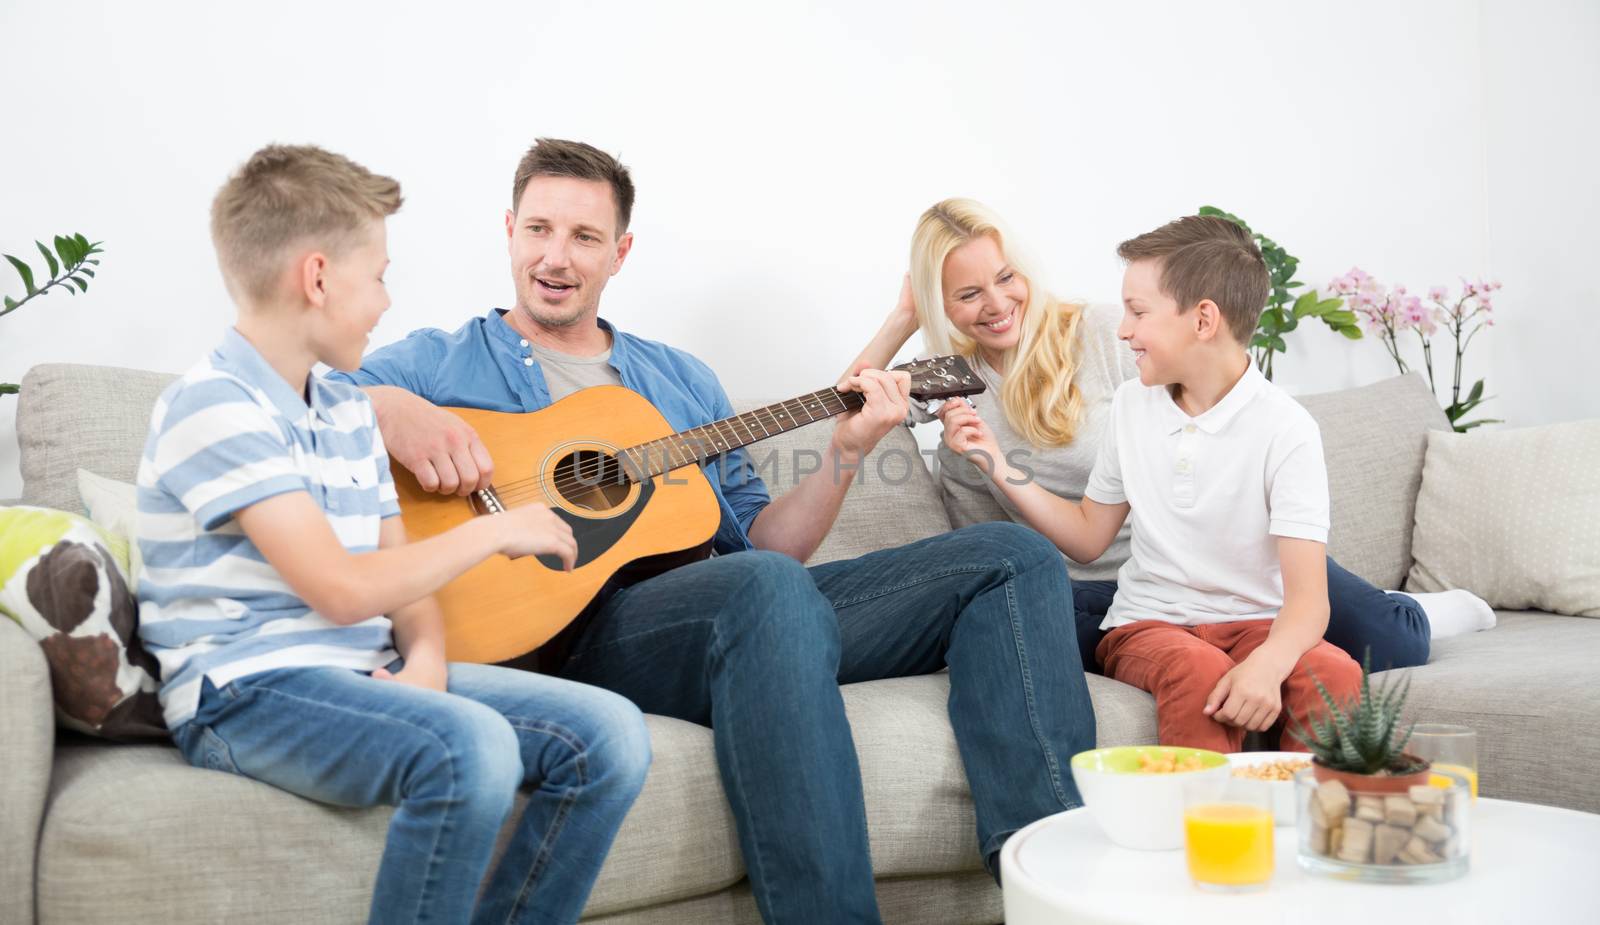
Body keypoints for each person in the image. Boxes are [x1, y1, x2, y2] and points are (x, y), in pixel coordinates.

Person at [329, 138, 1095, 923]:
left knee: (1010, 557)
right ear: (510, 229)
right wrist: (388, 407)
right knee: (766, 591)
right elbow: (296, 398)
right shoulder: (436, 362)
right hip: (573, 634)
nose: (556, 256)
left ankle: (1054, 893)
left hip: (734, 607)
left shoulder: (681, 380)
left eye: (585, 237)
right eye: (539, 230)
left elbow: (769, 546)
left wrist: (845, 450)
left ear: (620, 251)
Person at [136, 144, 650, 924]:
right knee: (470, 750)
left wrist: (430, 662)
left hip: (357, 670)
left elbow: (398, 570)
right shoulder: (213, 406)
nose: (384, 301)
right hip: (244, 695)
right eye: (377, 275)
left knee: (610, 733)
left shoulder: (345, 410)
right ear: (316, 278)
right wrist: (494, 531)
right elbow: (341, 589)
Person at [849, 198, 1496, 674]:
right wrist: (903, 318)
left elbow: (1221, 417)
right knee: (1023, 628)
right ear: (941, 305)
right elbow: (843, 408)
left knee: (1394, 643)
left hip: (1204, 559)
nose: (997, 302)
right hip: (1099, 591)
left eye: (1005, 277)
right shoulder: (945, 379)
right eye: (966, 293)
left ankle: (1424, 608)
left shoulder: (1105, 332)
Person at [942, 213, 1362, 751]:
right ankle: (1200, 833)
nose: (1122, 330)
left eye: (1138, 312)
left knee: (1337, 676)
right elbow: (1090, 538)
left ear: (1203, 320)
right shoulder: (1131, 406)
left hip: (1256, 621)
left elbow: (1308, 603)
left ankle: (1308, 831)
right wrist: (995, 462)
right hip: (1149, 624)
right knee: (1197, 668)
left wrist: (1268, 665)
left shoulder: (1287, 429)